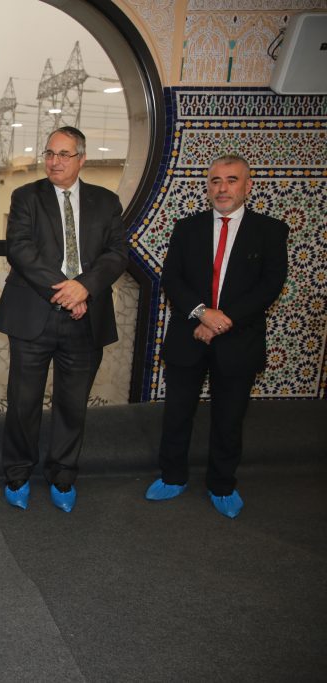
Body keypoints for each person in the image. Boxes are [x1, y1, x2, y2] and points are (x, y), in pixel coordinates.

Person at [0, 126, 127, 512]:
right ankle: (17, 473)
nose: (54, 161)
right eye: (49, 153)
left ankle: (63, 475)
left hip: (86, 319)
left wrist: (85, 287)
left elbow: (117, 254)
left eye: (64, 154)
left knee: (72, 403)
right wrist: (68, 292)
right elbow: (21, 250)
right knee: (23, 402)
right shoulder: (26, 196)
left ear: (81, 159)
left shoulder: (106, 201)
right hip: (33, 315)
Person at [147, 154, 288, 518]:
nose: (222, 188)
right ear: (207, 187)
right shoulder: (186, 228)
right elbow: (172, 279)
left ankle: (222, 485)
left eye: (231, 180)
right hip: (188, 336)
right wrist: (202, 314)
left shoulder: (271, 231)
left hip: (239, 339)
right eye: (215, 181)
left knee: (229, 419)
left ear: (248, 186)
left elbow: (269, 286)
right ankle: (172, 477)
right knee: (177, 413)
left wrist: (221, 321)